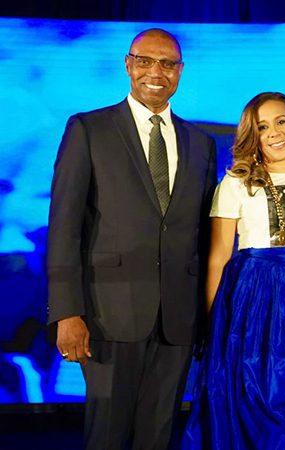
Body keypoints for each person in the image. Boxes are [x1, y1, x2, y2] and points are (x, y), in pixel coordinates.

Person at [47, 28, 217, 449]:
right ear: (128, 65)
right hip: (107, 318)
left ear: (180, 72)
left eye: (167, 64)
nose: (155, 72)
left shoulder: (201, 144)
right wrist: (67, 312)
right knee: (105, 436)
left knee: (157, 437)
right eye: (145, 61)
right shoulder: (89, 129)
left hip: (177, 322)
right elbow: (64, 226)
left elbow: (202, 234)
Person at [182, 92, 285, 449]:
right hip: (253, 306)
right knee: (251, 395)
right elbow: (218, 257)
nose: (274, 132)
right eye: (263, 127)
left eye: (281, 121)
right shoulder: (235, 183)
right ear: (253, 137)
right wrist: (214, 326)